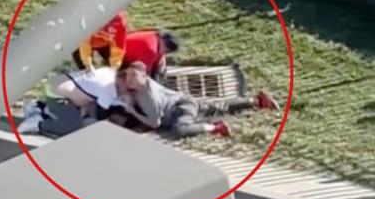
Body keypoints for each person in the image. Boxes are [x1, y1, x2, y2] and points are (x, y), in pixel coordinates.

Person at [120, 61, 280, 138]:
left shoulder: (149, 98)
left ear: (144, 76)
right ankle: (256, 101)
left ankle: (214, 128)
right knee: (219, 107)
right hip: (184, 100)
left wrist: (132, 110)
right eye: (127, 75)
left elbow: (155, 124)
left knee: (180, 130)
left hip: (180, 110)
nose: (129, 79)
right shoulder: (145, 84)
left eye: (133, 76)